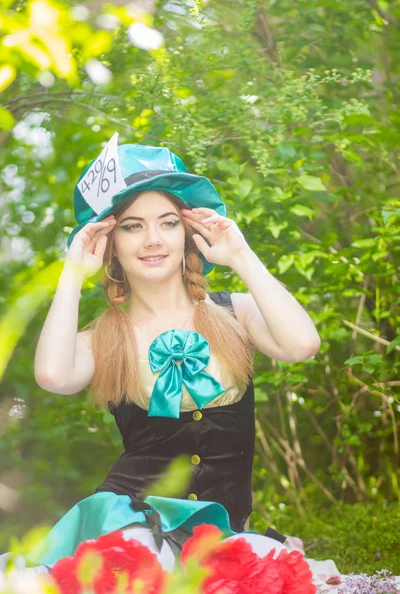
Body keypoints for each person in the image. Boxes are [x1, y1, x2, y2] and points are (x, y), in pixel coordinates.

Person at [27, 138, 321, 572]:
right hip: (131, 523)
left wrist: (240, 255)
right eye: (132, 226)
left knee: (261, 570)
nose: (152, 239)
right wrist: (72, 274)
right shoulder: (104, 338)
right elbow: (53, 375)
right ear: (110, 241)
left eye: (167, 222)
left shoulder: (235, 312)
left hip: (219, 531)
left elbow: (302, 345)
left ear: (188, 232)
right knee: (149, 564)